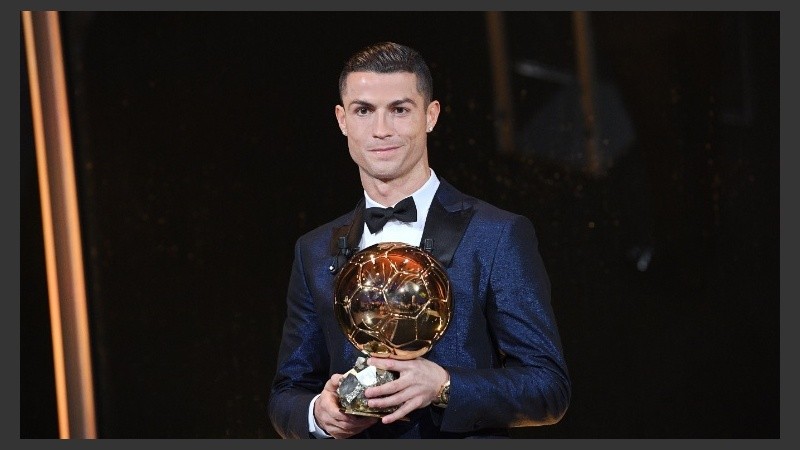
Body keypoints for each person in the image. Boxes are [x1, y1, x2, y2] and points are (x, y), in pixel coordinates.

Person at [268, 41, 571, 439]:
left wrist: (444, 386)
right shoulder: (313, 250)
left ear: (431, 115)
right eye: (363, 110)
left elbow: (548, 388)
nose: (381, 130)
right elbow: (287, 393)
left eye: (399, 109)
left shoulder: (496, 234)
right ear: (342, 120)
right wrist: (318, 414)